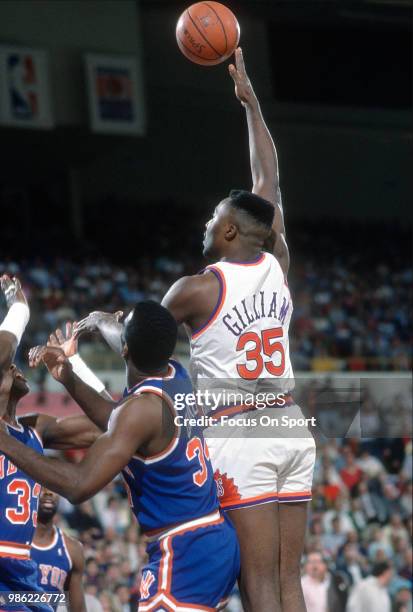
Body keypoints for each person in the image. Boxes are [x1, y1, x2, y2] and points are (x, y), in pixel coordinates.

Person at [74, 48, 316, 612]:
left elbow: (146, 342)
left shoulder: (196, 288)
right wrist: (252, 105)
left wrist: (100, 325)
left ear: (231, 230)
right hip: (291, 425)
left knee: (259, 586)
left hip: (240, 430)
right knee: (288, 580)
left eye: (212, 220)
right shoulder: (278, 261)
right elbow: (268, 183)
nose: (205, 226)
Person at [0, 301, 240, 611]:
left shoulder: (139, 410)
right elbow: (118, 420)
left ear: (125, 349)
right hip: (213, 539)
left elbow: (78, 485)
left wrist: (4, 442)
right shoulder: (175, 375)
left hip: (185, 549)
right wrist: (71, 375)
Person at [0, 276, 101, 612]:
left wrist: (74, 368)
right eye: (8, 367)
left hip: (21, 575)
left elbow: (108, 427)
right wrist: (19, 307)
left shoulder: (35, 430)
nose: (16, 368)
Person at [31, 488, 86, 612]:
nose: (48, 492)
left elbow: (78, 609)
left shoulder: (72, 549)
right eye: (41, 487)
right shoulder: (12, 540)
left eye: (52, 487)